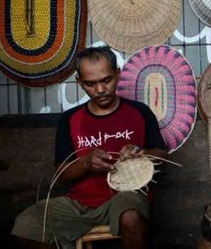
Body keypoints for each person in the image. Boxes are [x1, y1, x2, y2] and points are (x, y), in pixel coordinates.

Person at [12, 46, 168, 249]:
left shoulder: (139, 112)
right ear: (79, 82)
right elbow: (62, 174)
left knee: (131, 217)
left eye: (106, 80)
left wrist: (141, 154)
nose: (100, 89)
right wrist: (85, 163)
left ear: (118, 74)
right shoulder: (70, 119)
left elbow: (162, 156)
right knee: (27, 224)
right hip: (79, 202)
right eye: (90, 84)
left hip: (126, 196)